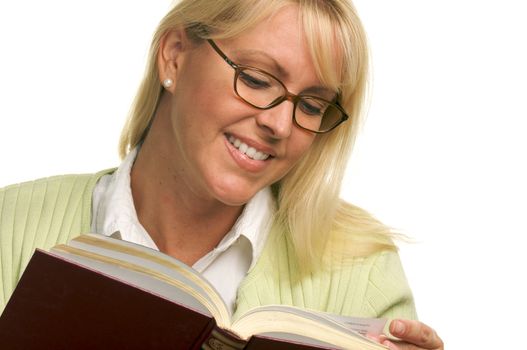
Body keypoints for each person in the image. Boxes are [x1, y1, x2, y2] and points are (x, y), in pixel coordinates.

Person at [0, 0, 443, 349]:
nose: (280, 125)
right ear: (174, 57)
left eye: (310, 105)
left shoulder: (364, 272)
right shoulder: (10, 226)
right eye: (256, 79)